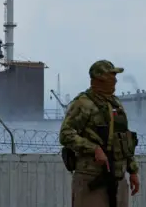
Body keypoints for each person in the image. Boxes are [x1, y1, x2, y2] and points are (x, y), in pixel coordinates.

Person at [59, 60, 140, 207]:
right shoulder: (83, 103)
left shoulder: (116, 104)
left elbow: (124, 139)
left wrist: (132, 171)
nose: (115, 80)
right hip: (91, 178)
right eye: (111, 75)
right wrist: (93, 148)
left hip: (118, 178)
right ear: (99, 77)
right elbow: (66, 134)